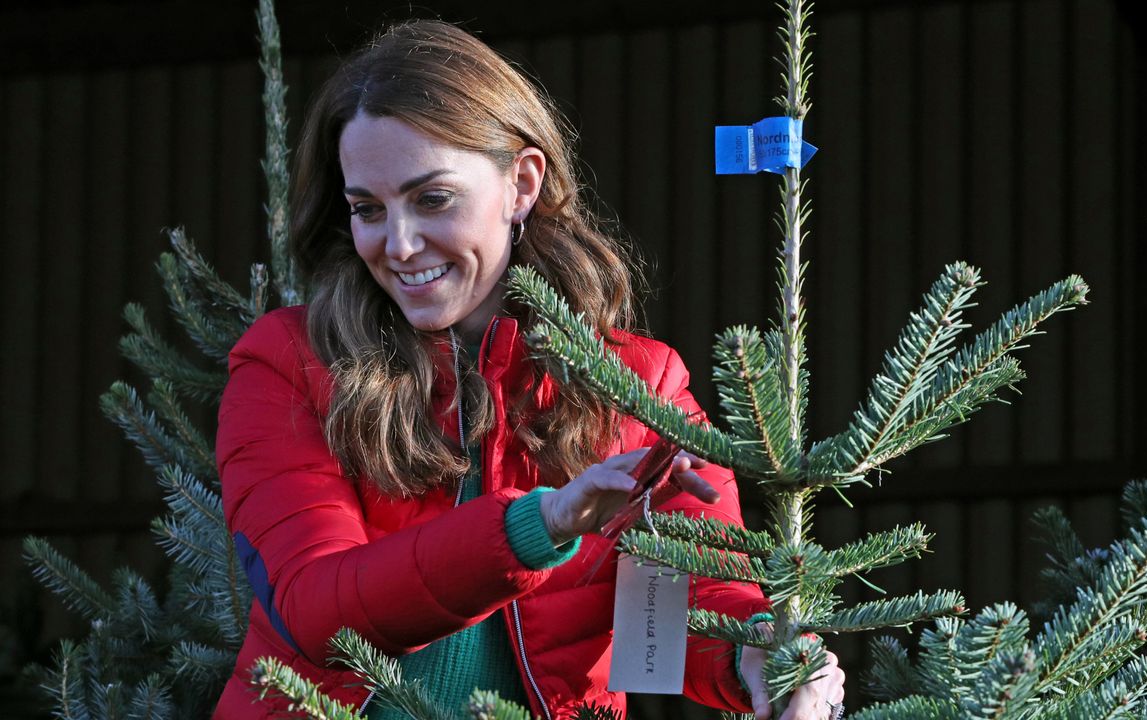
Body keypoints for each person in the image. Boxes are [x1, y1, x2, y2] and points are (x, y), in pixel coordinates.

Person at [213, 18, 845, 720]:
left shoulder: (636, 384)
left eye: (432, 199)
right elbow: (313, 608)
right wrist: (541, 524)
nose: (397, 243)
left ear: (522, 183)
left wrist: (758, 652)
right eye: (367, 208)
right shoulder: (289, 363)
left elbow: (691, 601)